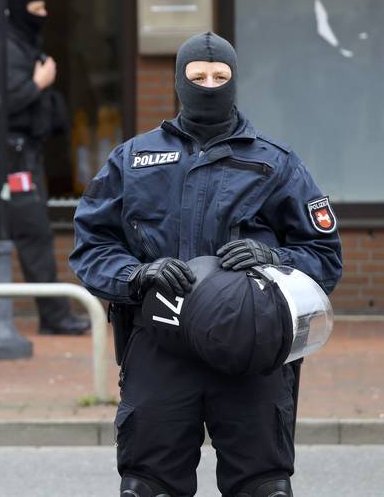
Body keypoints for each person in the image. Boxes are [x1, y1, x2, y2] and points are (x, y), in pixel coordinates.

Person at [69, 32, 342, 496]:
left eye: (220, 77)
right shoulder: (132, 160)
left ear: (235, 82)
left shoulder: (276, 164)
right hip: (159, 343)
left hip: (251, 347)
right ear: (179, 81)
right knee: (146, 487)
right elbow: (91, 245)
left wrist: (275, 260)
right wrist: (136, 275)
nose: (209, 85)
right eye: (198, 77)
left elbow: (324, 258)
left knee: (263, 488)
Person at [0, 0, 89, 335]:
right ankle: (54, 315)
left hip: (19, 153)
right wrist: (40, 83)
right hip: (12, 156)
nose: (44, 17)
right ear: (19, 11)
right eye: (37, 10)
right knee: (36, 233)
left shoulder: (16, 44)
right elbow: (1, 102)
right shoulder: (5, 49)